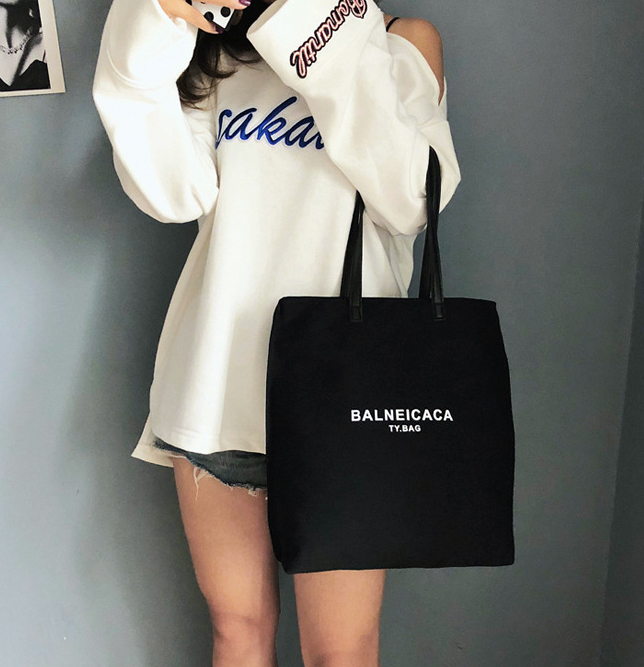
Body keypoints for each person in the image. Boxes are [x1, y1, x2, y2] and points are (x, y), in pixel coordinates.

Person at [92, 0, 461, 664]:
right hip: (219, 385)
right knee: (237, 629)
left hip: (348, 402)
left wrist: (313, 28)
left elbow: (413, 198)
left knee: (342, 650)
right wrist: (152, 17)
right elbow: (173, 194)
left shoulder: (400, 41)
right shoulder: (213, 54)